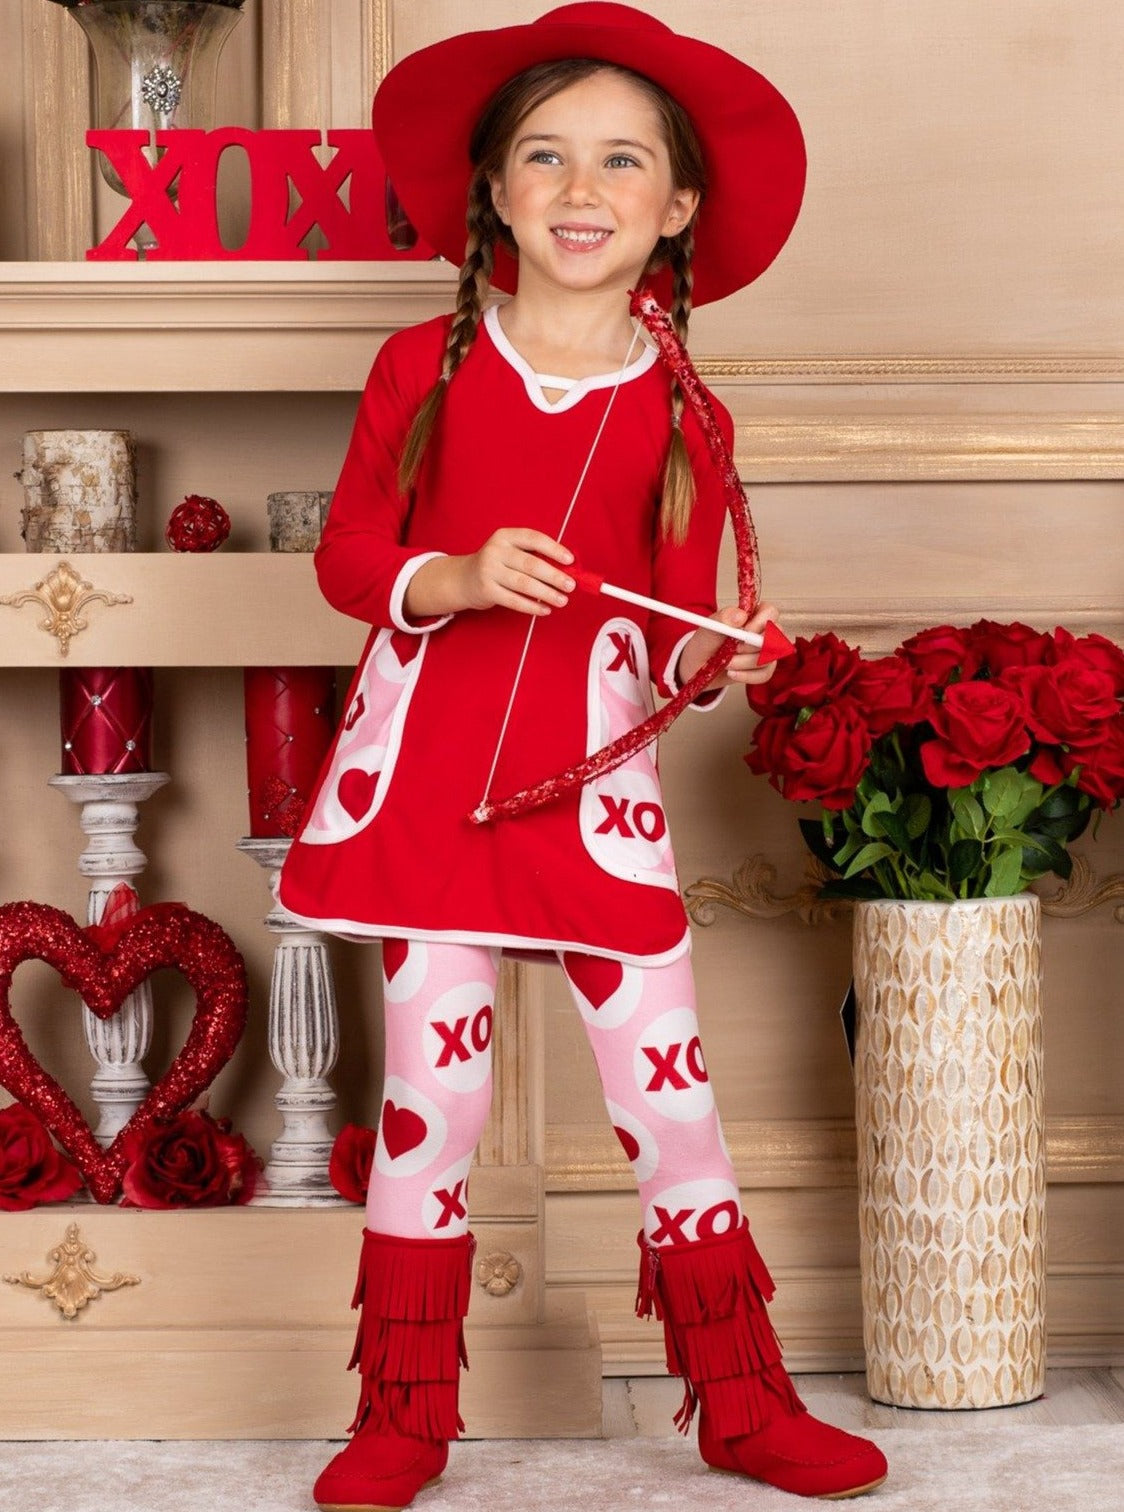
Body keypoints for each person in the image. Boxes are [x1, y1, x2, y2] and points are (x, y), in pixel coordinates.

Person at [278, 4, 888, 1507]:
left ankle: (740, 1402)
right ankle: (403, 1416)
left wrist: (716, 655)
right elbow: (350, 557)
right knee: (434, 1105)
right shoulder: (421, 368)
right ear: (493, 188)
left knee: (670, 1103)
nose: (579, 186)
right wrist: (459, 574)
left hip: (591, 800)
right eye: (545, 155)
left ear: (675, 209)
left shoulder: (684, 411)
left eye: (622, 161)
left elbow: (676, 626)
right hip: (426, 792)